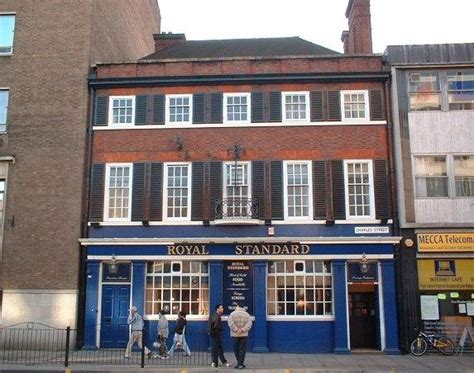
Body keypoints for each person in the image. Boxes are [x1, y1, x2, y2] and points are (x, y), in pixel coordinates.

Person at [227, 301, 252, 370]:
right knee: (242, 349)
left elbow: (230, 323)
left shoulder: (232, 314)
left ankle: (240, 363)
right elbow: (249, 324)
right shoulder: (247, 315)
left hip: (235, 334)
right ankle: (240, 363)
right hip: (244, 334)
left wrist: (236, 330)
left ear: (237, 306)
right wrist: (242, 330)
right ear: (243, 307)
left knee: (236, 349)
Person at [209, 304, 231, 368]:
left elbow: (211, 324)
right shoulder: (217, 316)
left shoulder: (213, 315)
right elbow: (215, 325)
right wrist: (219, 329)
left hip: (213, 333)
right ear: (217, 309)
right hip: (215, 333)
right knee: (217, 348)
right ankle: (216, 363)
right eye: (221, 308)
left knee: (218, 348)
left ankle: (219, 362)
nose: (222, 309)